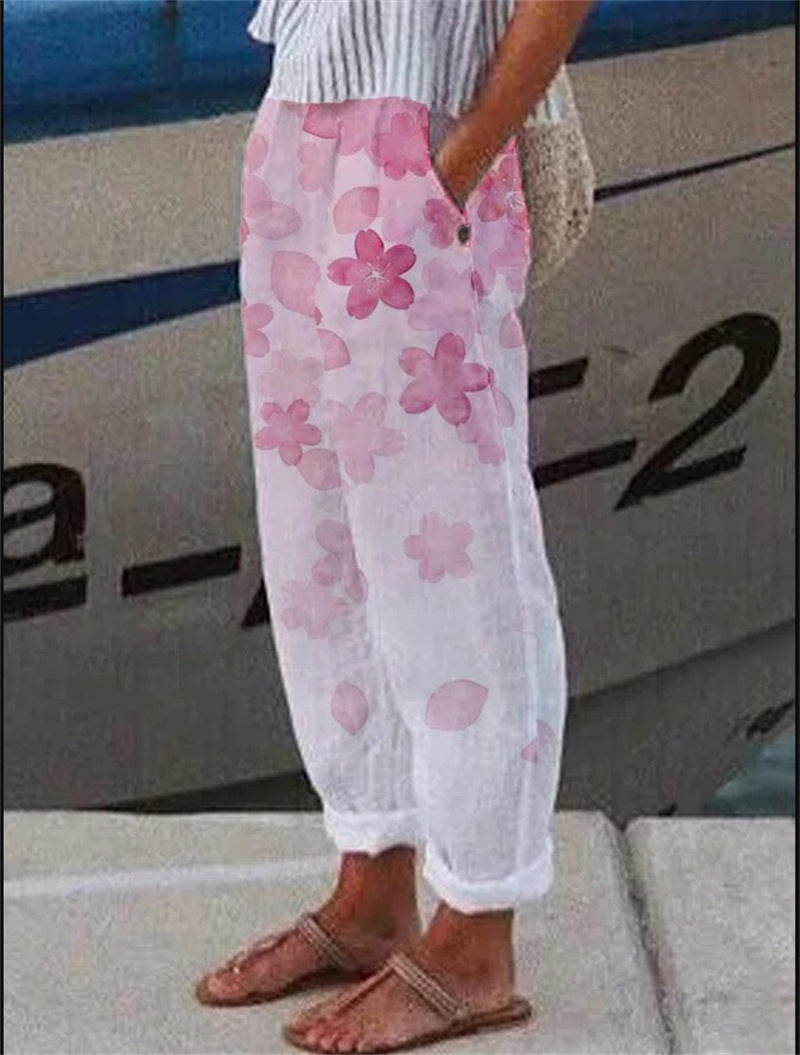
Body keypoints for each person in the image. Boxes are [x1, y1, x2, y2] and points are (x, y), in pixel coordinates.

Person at [195, 1, 594, 1050]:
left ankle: (476, 932)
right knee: (319, 532)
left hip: (425, 127)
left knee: (454, 536)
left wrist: (458, 162)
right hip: (304, 112)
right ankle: (372, 880)